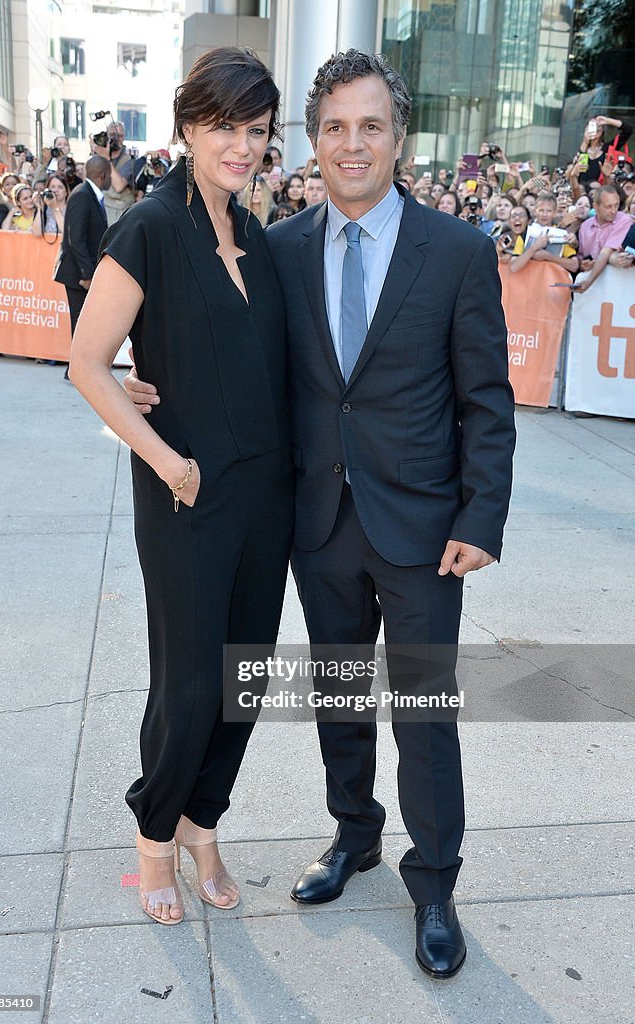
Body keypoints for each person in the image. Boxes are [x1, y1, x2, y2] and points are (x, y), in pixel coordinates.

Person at [125, 49, 515, 977]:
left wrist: (480, 518)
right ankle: (354, 838)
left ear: (398, 136)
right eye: (334, 126)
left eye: (370, 125)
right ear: (313, 138)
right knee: (341, 697)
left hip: (425, 533)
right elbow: (218, 347)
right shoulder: (277, 245)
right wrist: (146, 387)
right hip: (318, 523)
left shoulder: (458, 252)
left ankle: (434, 885)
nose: (351, 145)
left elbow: (488, 401)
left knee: (423, 711)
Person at [68, 48, 292, 926]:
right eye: (226, 127)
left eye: (257, 130)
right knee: (191, 685)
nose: (242, 145)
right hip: (185, 496)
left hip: (264, 497)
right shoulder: (150, 227)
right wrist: (165, 459)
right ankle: (154, 838)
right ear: (189, 126)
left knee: (247, 679)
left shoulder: (257, 237)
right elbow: (88, 363)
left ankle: (205, 825)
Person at [53, 156, 110, 378]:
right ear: (103, 175)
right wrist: (87, 273)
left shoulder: (90, 195)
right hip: (77, 274)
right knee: (79, 320)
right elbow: (75, 238)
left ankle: (77, 368)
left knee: (84, 321)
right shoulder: (82, 196)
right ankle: (76, 370)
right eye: (109, 174)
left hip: (84, 272)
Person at [90, 121, 136, 226]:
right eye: (112, 135)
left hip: (118, 215)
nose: (116, 139)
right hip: (100, 212)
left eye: (119, 136)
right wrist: (93, 153)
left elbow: (119, 186)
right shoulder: (98, 155)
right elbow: (87, 180)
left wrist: (106, 158)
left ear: (124, 137)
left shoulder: (129, 158)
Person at [32, 173, 69, 238]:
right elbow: (37, 233)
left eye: (60, 187)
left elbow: (67, 233)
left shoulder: (72, 208)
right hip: (47, 247)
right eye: (52, 187)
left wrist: (55, 208)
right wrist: (40, 208)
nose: (55, 190)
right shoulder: (45, 207)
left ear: (66, 192)